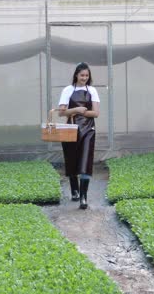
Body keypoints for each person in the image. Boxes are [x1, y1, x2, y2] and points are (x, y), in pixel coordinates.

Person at [58, 62, 100, 209]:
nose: (84, 78)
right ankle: (74, 191)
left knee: (85, 161)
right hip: (71, 128)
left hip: (88, 129)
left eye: (87, 75)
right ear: (76, 75)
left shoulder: (92, 90)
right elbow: (61, 112)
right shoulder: (68, 90)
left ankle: (83, 197)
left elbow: (96, 113)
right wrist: (76, 109)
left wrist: (82, 112)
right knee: (71, 159)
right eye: (82, 75)